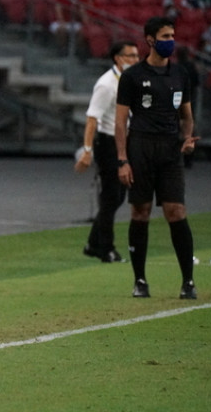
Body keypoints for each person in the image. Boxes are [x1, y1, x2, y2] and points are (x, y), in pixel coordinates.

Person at [115, 16, 200, 299]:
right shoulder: (133, 77)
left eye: (172, 36)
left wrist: (187, 138)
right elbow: (120, 121)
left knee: (176, 211)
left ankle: (188, 281)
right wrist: (123, 160)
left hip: (169, 150)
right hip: (140, 147)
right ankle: (140, 280)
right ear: (150, 40)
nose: (170, 41)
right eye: (164, 37)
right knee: (140, 212)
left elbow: (186, 116)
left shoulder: (180, 75)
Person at [75, 41, 140, 263]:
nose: (135, 60)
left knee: (116, 197)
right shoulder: (106, 84)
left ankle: (94, 243)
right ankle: (105, 248)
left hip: (123, 141)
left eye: (136, 55)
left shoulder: (129, 81)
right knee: (112, 196)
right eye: (130, 56)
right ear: (117, 58)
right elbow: (93, 118)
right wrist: (87, 150)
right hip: (109, 143)